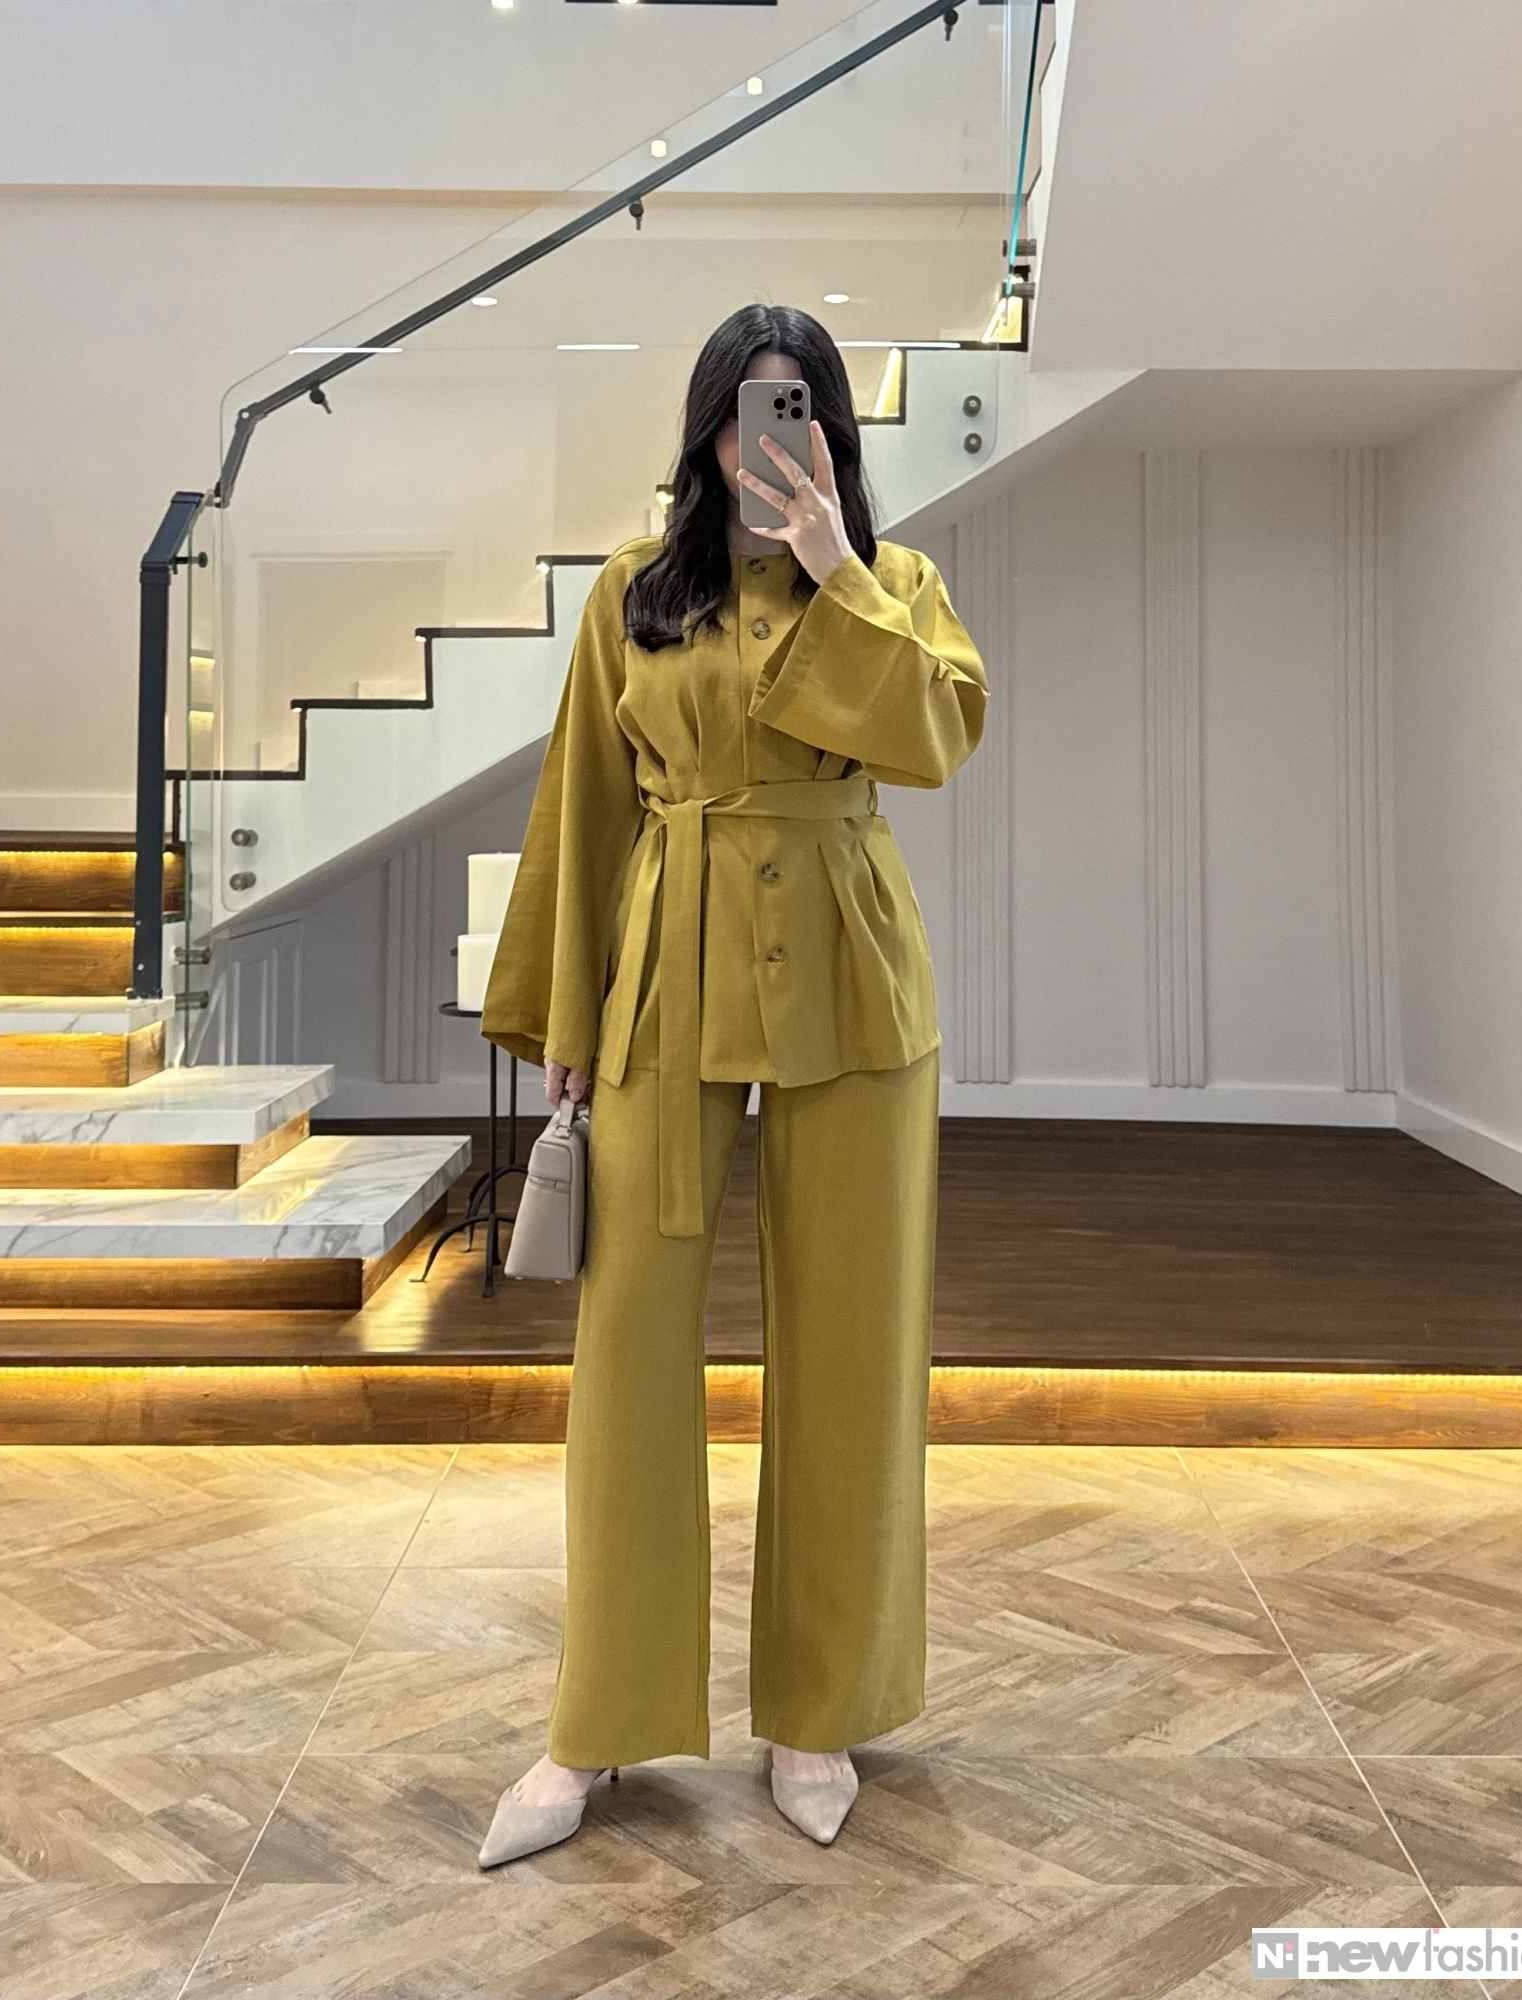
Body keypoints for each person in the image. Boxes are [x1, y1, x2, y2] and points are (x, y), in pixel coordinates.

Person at [477, 301, 987, 1863]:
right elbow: (585, 803)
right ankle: (598, 1724)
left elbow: (941, 735)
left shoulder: (895, 584)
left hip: (852, 965)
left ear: (831, 430)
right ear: (708, 430)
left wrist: (837, 570)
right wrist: (564, 1012)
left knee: (851, 1337)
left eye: (802, 405)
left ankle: (817, 1711)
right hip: (665, 967)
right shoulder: (633, 595)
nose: (774, 431)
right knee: (629, 1337)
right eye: (749, 406)